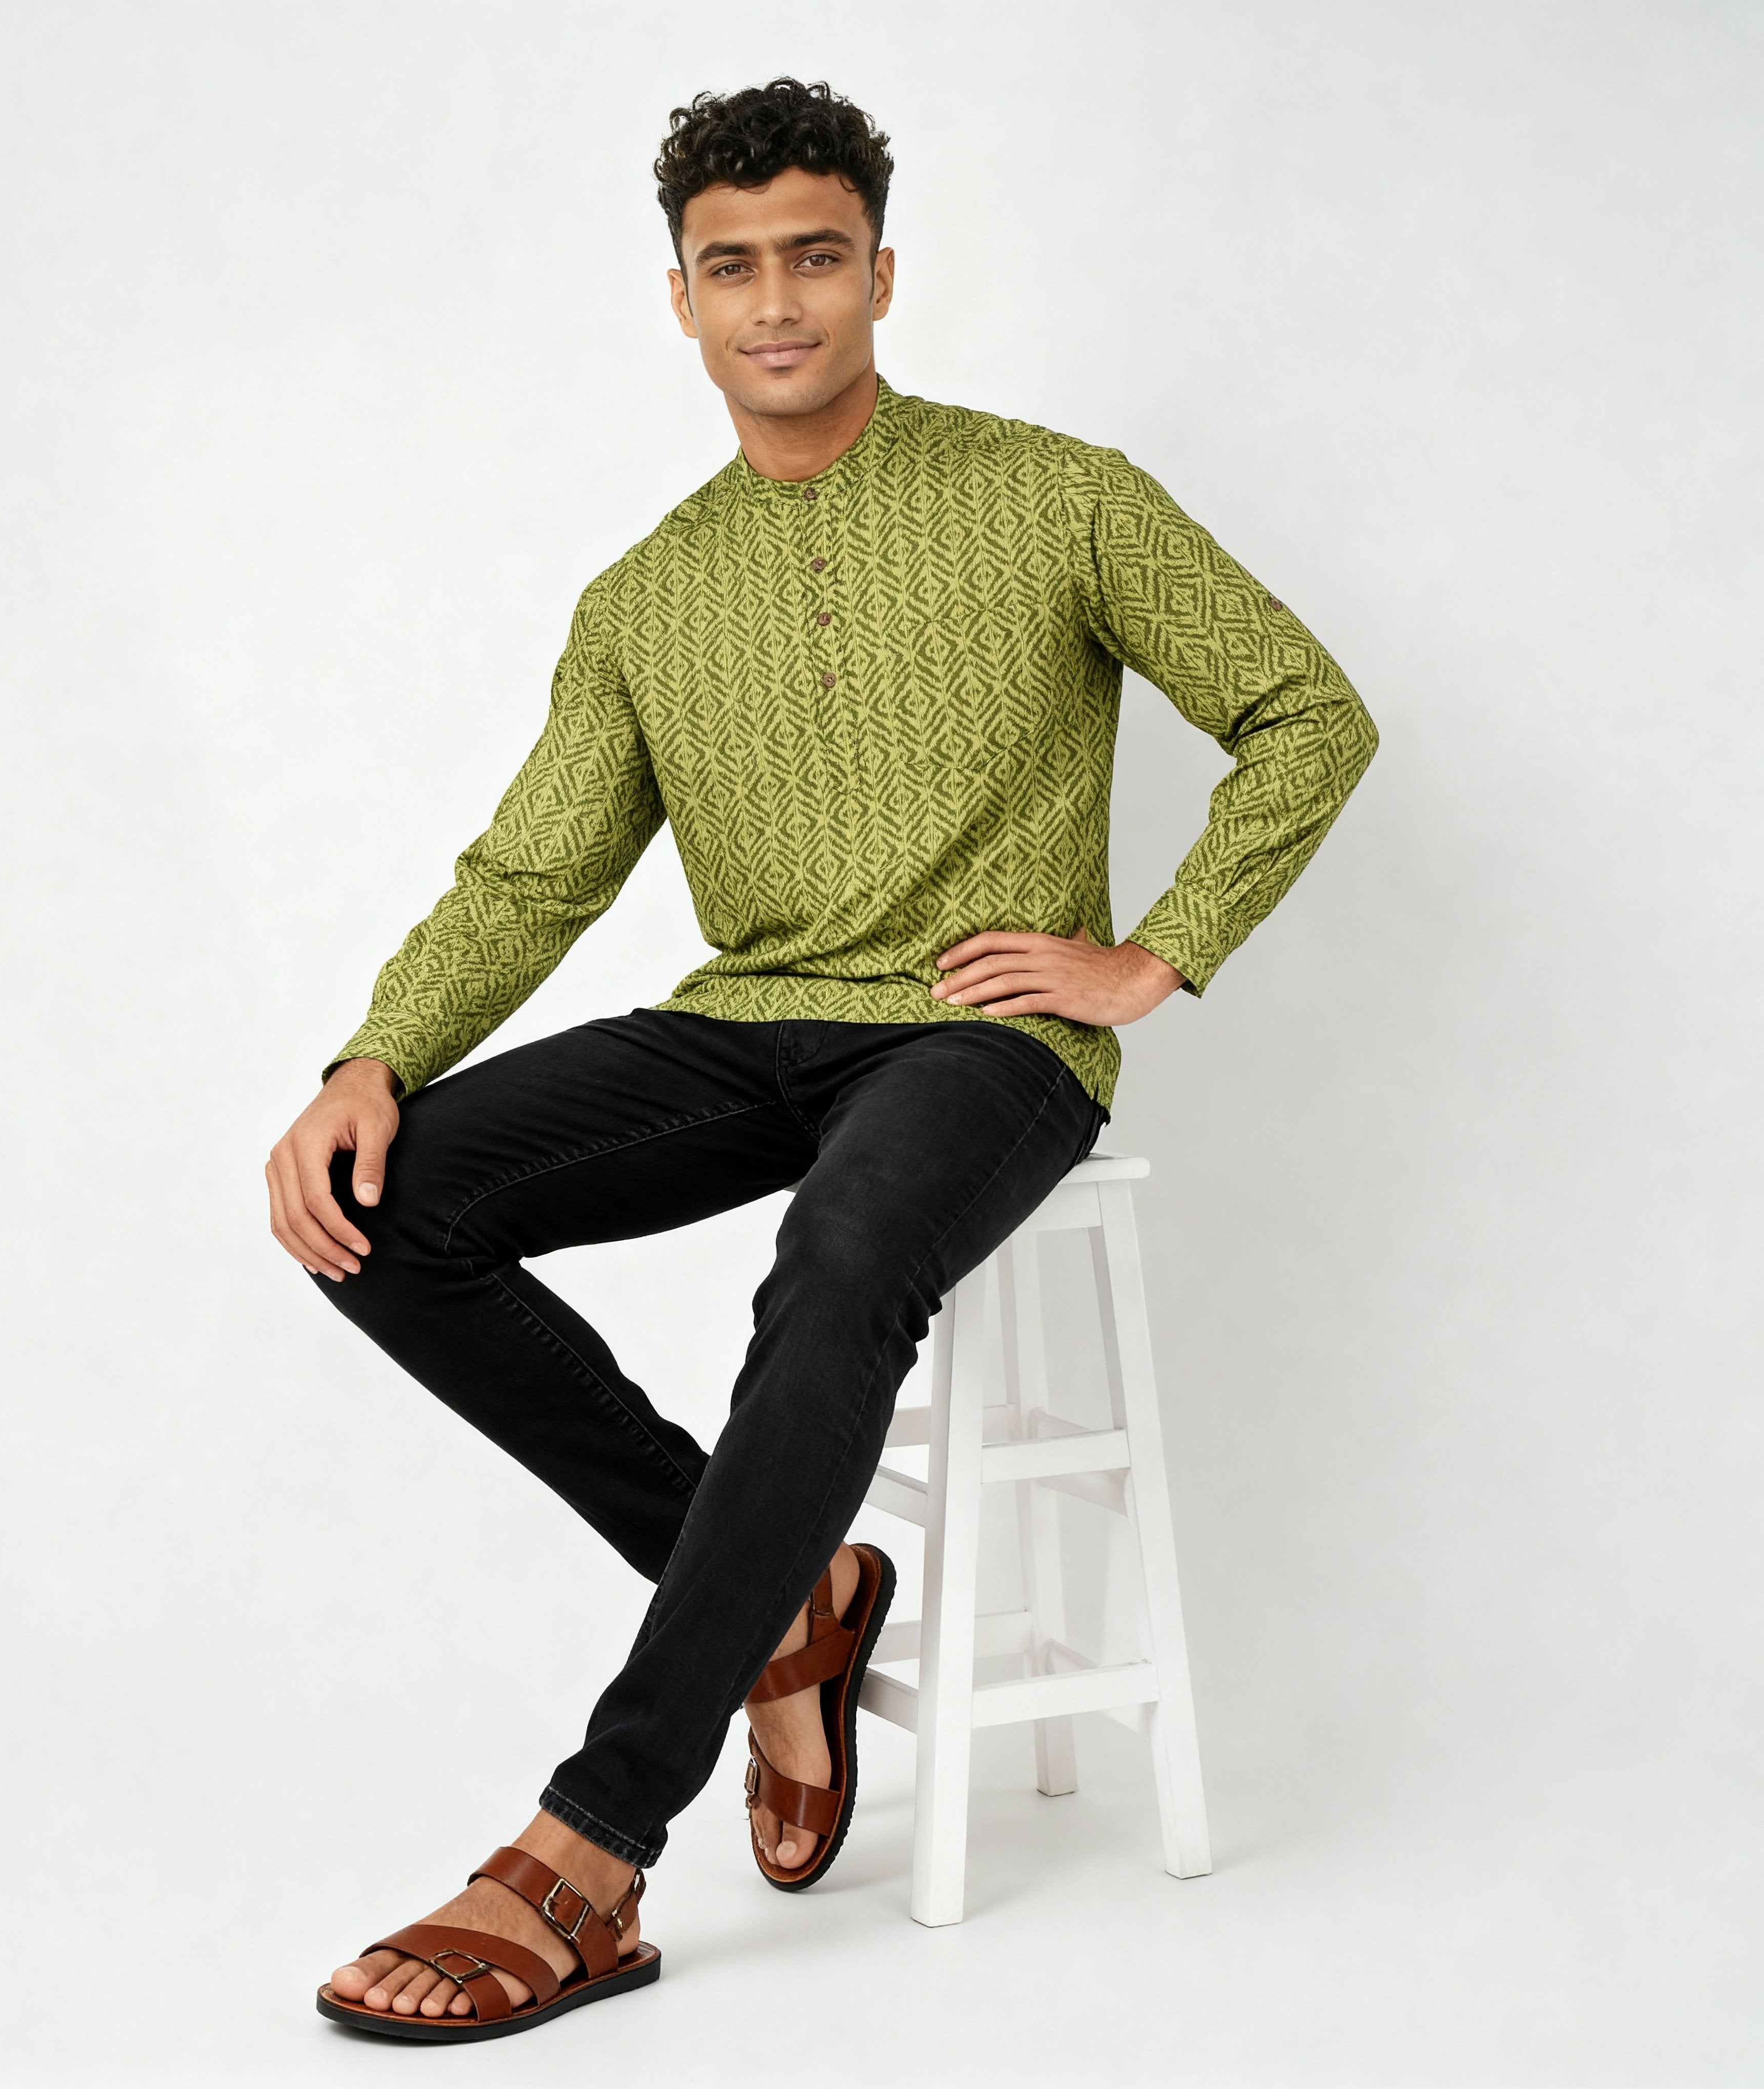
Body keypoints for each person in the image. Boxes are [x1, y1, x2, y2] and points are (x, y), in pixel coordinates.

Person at [269, 78, 1377, 2043]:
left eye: (814, 256)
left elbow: (1305, 710)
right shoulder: (647, 594)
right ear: (681, 300)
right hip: (748, 1021)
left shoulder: (1060, 495)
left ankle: (594, 1845)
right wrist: (378, 1052)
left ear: (879, 273)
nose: (775, 300)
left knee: (847, 1260)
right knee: (391, 1199)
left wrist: (1156, 956)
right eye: (732, 267)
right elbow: (535, 872)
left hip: (984, 1037)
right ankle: (782, 1599)